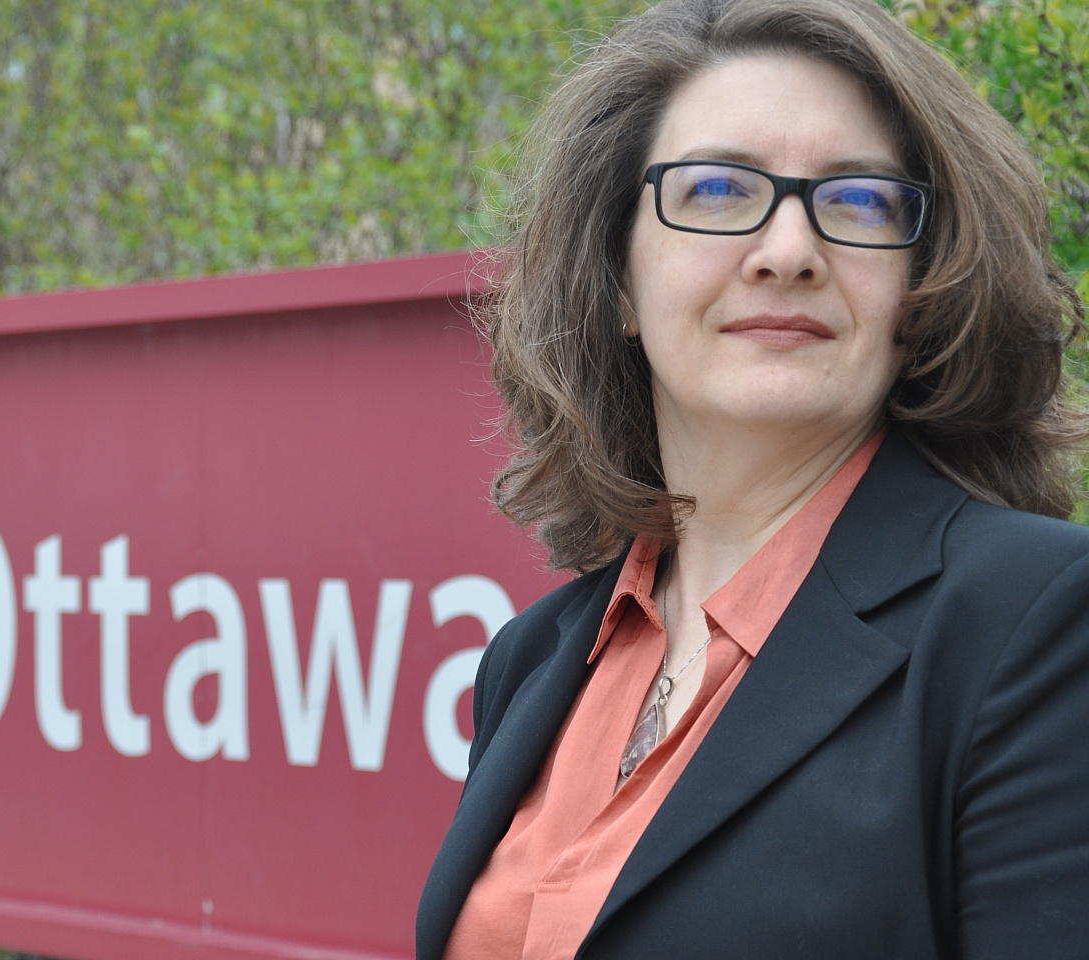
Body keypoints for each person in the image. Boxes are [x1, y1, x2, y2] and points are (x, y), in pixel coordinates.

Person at [412, 0, 1089, 957]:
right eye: (719, 191)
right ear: (616, 282)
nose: (787, 253)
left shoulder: (1037, 624)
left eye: (858, 202)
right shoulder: (531, 660)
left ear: (922, 287)